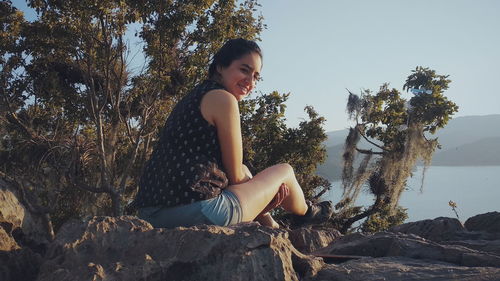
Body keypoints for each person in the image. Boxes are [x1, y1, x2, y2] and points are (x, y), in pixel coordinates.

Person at [133, 38, 333, 229]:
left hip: (150, 213)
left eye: (256, 76)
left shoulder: (196, 95)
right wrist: (263, 196)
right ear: (220, 66)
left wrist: (259, 200)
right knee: (285, 172)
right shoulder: (223, 99)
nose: (250, 81)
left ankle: (273, 226)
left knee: (246, 170)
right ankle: (308, 213)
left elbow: (237, 173)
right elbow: (235, 177)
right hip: (196, 213)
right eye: (244, 70)